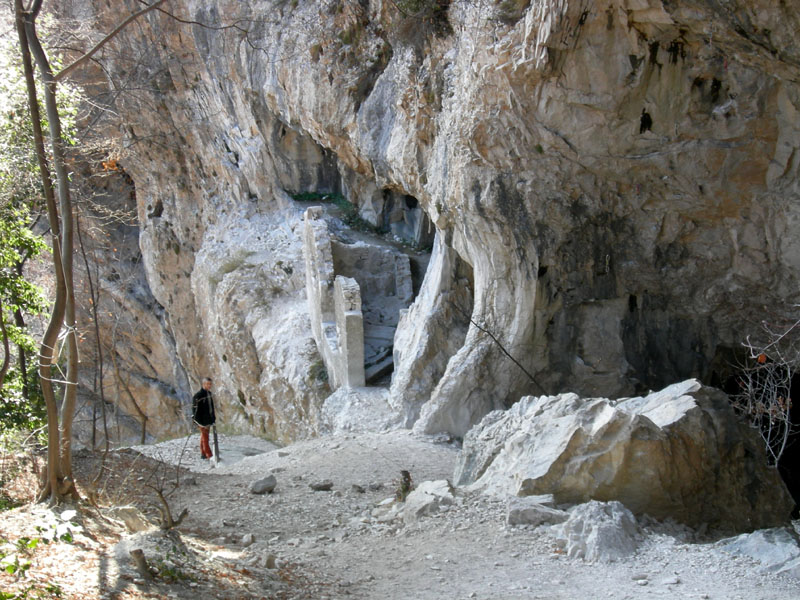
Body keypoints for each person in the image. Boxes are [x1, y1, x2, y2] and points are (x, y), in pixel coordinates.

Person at [191, 377, 216, 460]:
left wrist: (213, 418)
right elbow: (195, 410)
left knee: (204, 436)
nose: (209, 386)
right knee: (205, 438)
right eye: (208, 384)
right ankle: (209, 455)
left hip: (208, 419)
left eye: (210, 384)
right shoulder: (198, 396)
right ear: (203, 384)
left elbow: (211, 407)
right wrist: (199, 421)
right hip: (202, 421)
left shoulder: (209, 394)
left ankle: (203, 453)